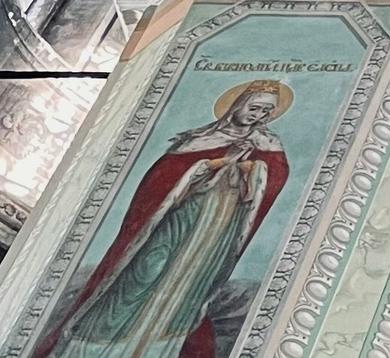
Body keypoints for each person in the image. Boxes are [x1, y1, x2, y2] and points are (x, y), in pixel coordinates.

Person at [33, 80, 293, 358]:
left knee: (184, 289)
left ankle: (156, 350)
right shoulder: (199, 139)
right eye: (254, 108)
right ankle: (93, 349)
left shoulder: (267, 144)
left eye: (266, 112)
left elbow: (275, 178)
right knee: (144, 272)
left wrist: (252, 167)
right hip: (175, 220)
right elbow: (159, 180)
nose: (258, 116)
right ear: (239, 104)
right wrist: (211, 165)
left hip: (215, 232)